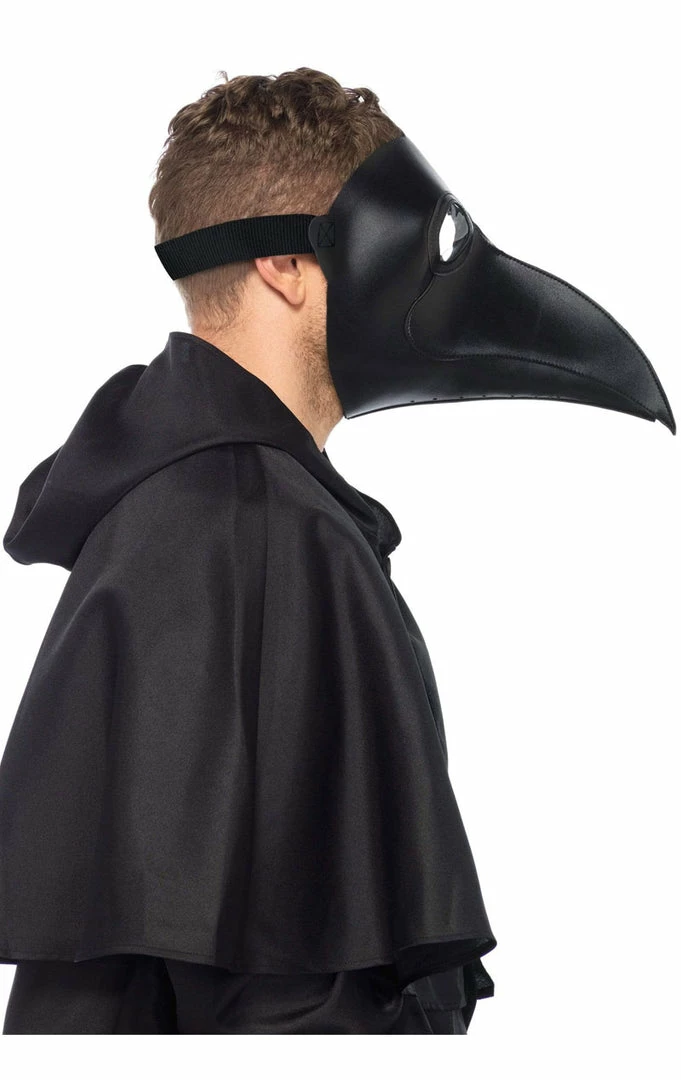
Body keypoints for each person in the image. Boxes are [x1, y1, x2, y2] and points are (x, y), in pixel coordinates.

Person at [0, 67, 498, 1034]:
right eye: (397, 246)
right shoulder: (258, 527)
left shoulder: (173, 502)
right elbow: (286, 991)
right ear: (285, 264)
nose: (419, 282)